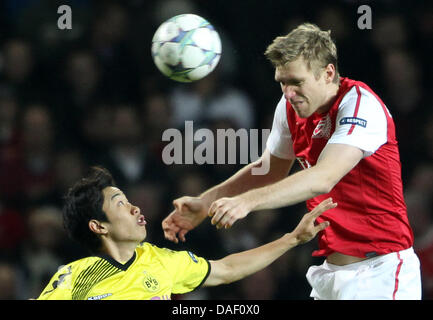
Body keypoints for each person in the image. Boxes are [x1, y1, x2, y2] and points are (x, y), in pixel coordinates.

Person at [162, 23, 422, 300]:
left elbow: (323, 178)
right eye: (282, 82)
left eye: (296, 82)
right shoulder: (289, 108)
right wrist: (206, 202)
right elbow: (269, 170)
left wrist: (248, 202)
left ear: (328, 73)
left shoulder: (359, 105)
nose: (288, 92)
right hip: (330, 274)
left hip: (379, 273)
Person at [36, 166, 335, 300]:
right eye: (120, 205)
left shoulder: (162, 261)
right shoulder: (75, 278)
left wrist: (292, 239)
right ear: (99, 226)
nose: (135, 208)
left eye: (129, 200)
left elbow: (227, 269)